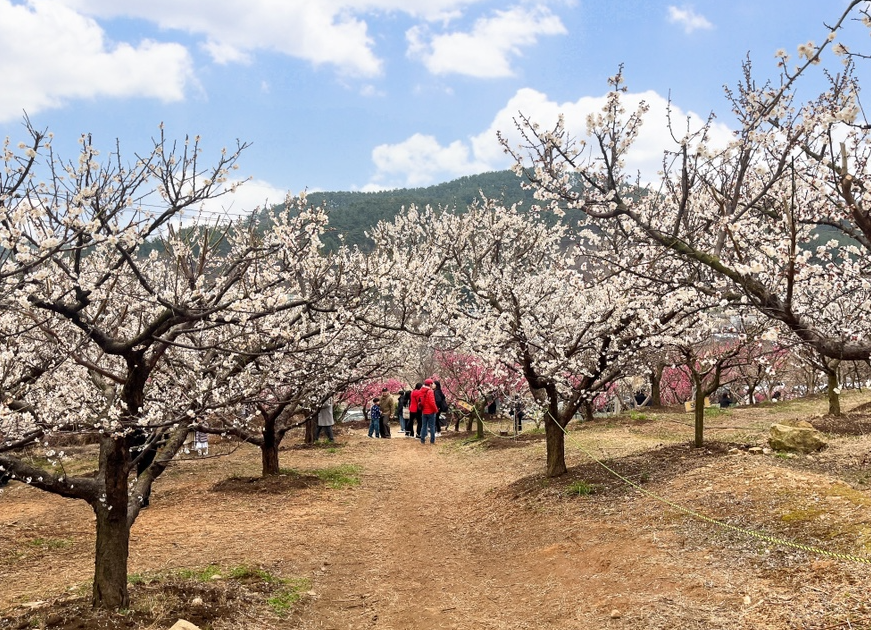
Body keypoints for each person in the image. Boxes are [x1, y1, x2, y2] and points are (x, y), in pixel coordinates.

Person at [420, 379, 439, 444]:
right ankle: (432, 440)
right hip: (431, 411)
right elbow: (432, 402)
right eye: (432, 383)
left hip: (424, 411)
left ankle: (422, 440)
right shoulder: (430, 391)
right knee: (432, 426)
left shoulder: (422, 390)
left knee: (424, 426)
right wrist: (436, 410)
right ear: (430, 384)